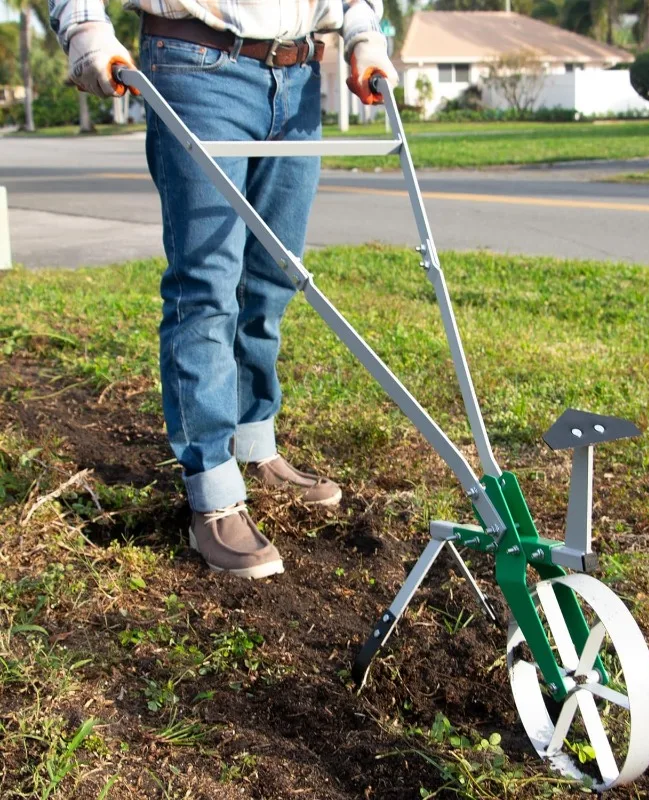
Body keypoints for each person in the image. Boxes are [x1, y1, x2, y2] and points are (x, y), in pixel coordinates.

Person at [48, 0, 398, 580]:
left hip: (301, 74)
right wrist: (85, 27)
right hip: (196, 66)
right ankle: (212, 493)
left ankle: (254, 445)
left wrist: (363, 32)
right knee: (205, 286)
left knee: (272, 276)